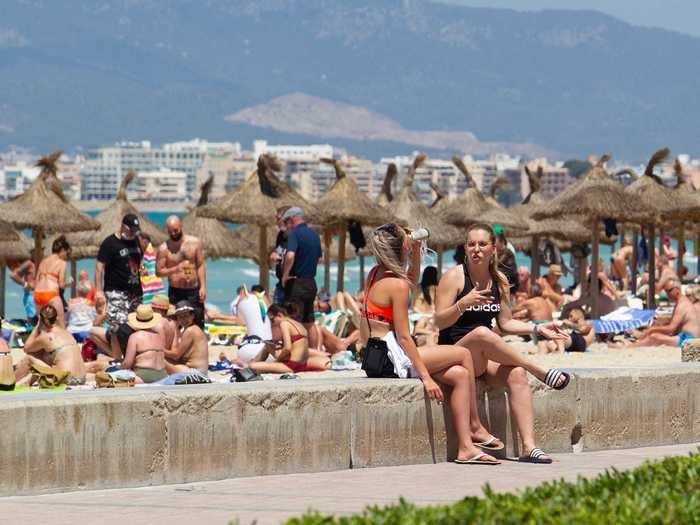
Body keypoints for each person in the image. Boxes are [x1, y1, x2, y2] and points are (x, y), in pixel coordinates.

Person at [359, 223, 500, 464]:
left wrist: (414, 251)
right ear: (399, 249)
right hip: (392, 359)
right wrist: (426, 378)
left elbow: (409, 281)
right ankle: (475, 426)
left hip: (376, 357)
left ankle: (465, 448)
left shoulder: (376, 274)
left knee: (458, 375)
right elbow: (404, 337)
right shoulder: (397, 284)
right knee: (463, 354)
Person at [435, 223, 571, 464]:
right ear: (465, 248)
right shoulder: (454, 277)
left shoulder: (499, 281)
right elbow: (439, 321)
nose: (476, 249)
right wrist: (463, 304)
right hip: (454, 354)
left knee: (517, 374)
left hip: (480, 359)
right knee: (481, 333)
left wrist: (538, 328)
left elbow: (506, 323)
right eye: (471, 244)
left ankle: (529, 447)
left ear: (493, 248)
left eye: (482, 244)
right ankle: (538, 369)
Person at [280, 207, 322, 350]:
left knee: (293, 321)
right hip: (311, 282)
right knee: (309, 322)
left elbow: (290, 256)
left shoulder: (295, 234)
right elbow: (320, 259)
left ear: (292, 219)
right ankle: (314, 352)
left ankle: (297, 354)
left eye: (286, 222)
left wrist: (285, 275)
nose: (286, 226)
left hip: (297, 283)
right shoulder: (314, 234)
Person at [14, 305, 86, 386]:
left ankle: (11, 382)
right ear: (56, 318)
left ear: (41, 319)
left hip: (65, 380)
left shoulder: (46, 336)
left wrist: (37, 326)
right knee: (46, 355)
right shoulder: (67, 332)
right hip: (81, 379)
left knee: (29, 358)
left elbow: (26, 348)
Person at [95, 214, 144, 330]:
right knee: (120, 328)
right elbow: (99, 267)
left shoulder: (136, 240)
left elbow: (140, 257)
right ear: (123, 227)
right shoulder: (110, 243)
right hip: (116, 292)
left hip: (135, 292)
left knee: (137, 327)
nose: (133, 233)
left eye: (135, 230)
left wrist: (142, 268)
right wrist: (98, 290)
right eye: (131, 230)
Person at [157, 215, 206, 328]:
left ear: (181, 226)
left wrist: (203, 286)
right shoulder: (164, 248)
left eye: (176, 230)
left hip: (193, 290)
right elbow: (159, 272)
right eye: (170, 231)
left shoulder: (195, 243)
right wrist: (175, 269)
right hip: (175, 291)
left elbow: (200, 265)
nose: (173, 234)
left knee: (197, 323)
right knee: (175, 325)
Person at [629, 280, 700, 348]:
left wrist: (651, 329)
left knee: (654, 337)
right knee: (655, 334)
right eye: (666, 291)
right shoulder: (681, 302)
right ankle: (637, 342)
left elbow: (671, 328)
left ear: (677, 289)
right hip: (684, 337)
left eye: (669, 290)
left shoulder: (682, 305)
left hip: (689, 340)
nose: (667, 294)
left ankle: (629, 347)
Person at [121, 304, 167, 383]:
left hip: (144, 374)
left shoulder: (135, 336)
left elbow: (127, 363)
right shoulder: (159, 336)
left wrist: (120, 369)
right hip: (162, 374)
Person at [33, 236, 72, 328]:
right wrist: (69, 283)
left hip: (37, 295)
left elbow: (36, 281)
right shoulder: (62, 263)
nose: (66, 256)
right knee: (61, 326)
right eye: (66, 253)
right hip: (50, 294)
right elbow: (61, 285)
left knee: (41, 327)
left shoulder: (43, 261)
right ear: (62, 250)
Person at [164, 300, 208, 375]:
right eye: (180, 317)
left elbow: (176, 355)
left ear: (192, 316)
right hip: (199, 371)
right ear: (177, 318)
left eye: (186, 316)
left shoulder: (190, 331)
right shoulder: (192, 329)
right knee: (165, 359)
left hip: (195, 373)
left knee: (158, 358)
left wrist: (159, 350)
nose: (184, 319)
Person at [236, 285, 274, 364]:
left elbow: (240, 322)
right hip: (271, 353)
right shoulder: (266, 300)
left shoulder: (242, 299)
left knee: (241, 350)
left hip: (249, 351)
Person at [270, 205, 291, 305]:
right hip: (280, 285)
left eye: (278, 218)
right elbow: (278, 251)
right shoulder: (280, 235)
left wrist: (281, 258)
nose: (276, 221)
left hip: (293, 286)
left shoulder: (296, 237)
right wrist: (274, 254)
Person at [138, 232, 165, 304]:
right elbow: (142, 268)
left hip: (158, 290)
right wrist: (142, 270)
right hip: (148, 290)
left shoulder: (155, 251)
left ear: (145, 241)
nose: (136, 243)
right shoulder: (142, 256)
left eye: (138, 240)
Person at [9, 256, 37, 322]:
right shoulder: (29, 263)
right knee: (33, 322)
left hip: (36, 297)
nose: (42, 252)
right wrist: (25, 284)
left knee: (38, 323)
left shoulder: (40, 264)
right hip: (31, 296)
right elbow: (13, 275)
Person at [495, 230, 517, 295]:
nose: (494, 243)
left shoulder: (507, 252)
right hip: (503, 278)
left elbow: (498, 263)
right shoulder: (500, 252)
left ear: (501, 242)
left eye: (495, 241)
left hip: (510, 279)